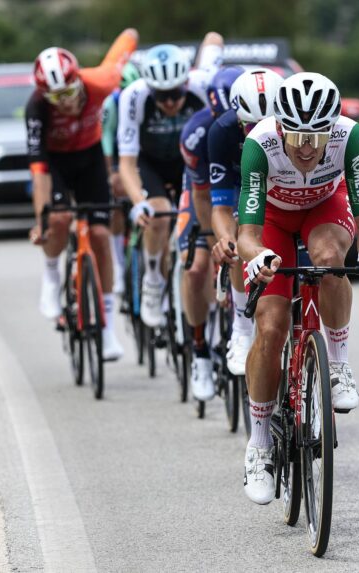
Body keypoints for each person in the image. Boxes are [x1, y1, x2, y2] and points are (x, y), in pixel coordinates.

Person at [236, 72, 359, 504]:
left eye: (318, 137)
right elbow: (247, 233)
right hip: (272, 218)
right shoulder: (259, 145)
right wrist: (259, 257)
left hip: (324, 208)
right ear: (281, 126)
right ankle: (260, 443)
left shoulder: (350, 137)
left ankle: (338, 364)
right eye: (299, 135)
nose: (307, 147)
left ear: (332, 129)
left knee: (329, 260)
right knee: (270, 326)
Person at [27, 28, 138, 361]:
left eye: (71, 92)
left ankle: (105, 329)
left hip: (89, 157)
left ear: (78, 80)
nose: (68, 103)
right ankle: (50, 275)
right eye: (57, 99)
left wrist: (130, 34)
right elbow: (39, 173)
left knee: (102, 234)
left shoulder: (99, 82)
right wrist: (41, 221)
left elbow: (120, 53)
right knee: (58, 219)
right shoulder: (36, 108)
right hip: (55, 162)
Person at [118, 33, 223, 332]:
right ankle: (153, 277)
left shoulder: (203, 85)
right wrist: (139, 204)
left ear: (186, 83)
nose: (170, 102)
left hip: (192, 164)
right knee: (158, 213)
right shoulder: (134, 96)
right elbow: (126, 163)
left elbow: (215, 38)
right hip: (151, 163)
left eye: (176, 93)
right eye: (161, 96)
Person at [206, 68, 284, 377]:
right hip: (242, 186)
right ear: (238, 117)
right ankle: (241, 325)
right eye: (250, 125)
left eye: (267, 124)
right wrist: (226, 238)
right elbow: (220, 204)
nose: (258, 133)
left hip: (283, 189)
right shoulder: (222, 131)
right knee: (240, 239)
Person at [176, 65, 243, 400]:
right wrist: (214, 239)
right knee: (197, 267)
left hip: (245, 190)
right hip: (205, 195)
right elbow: (203, 196)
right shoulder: (197, 132)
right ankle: (200, 350)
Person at [101, 61, 142, 295]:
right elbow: (106, 139)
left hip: (136, 152)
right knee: (115, 204)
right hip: (117, 154)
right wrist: (112, 174)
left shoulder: (143, 98)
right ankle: (118, 265)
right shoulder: (111, 103)